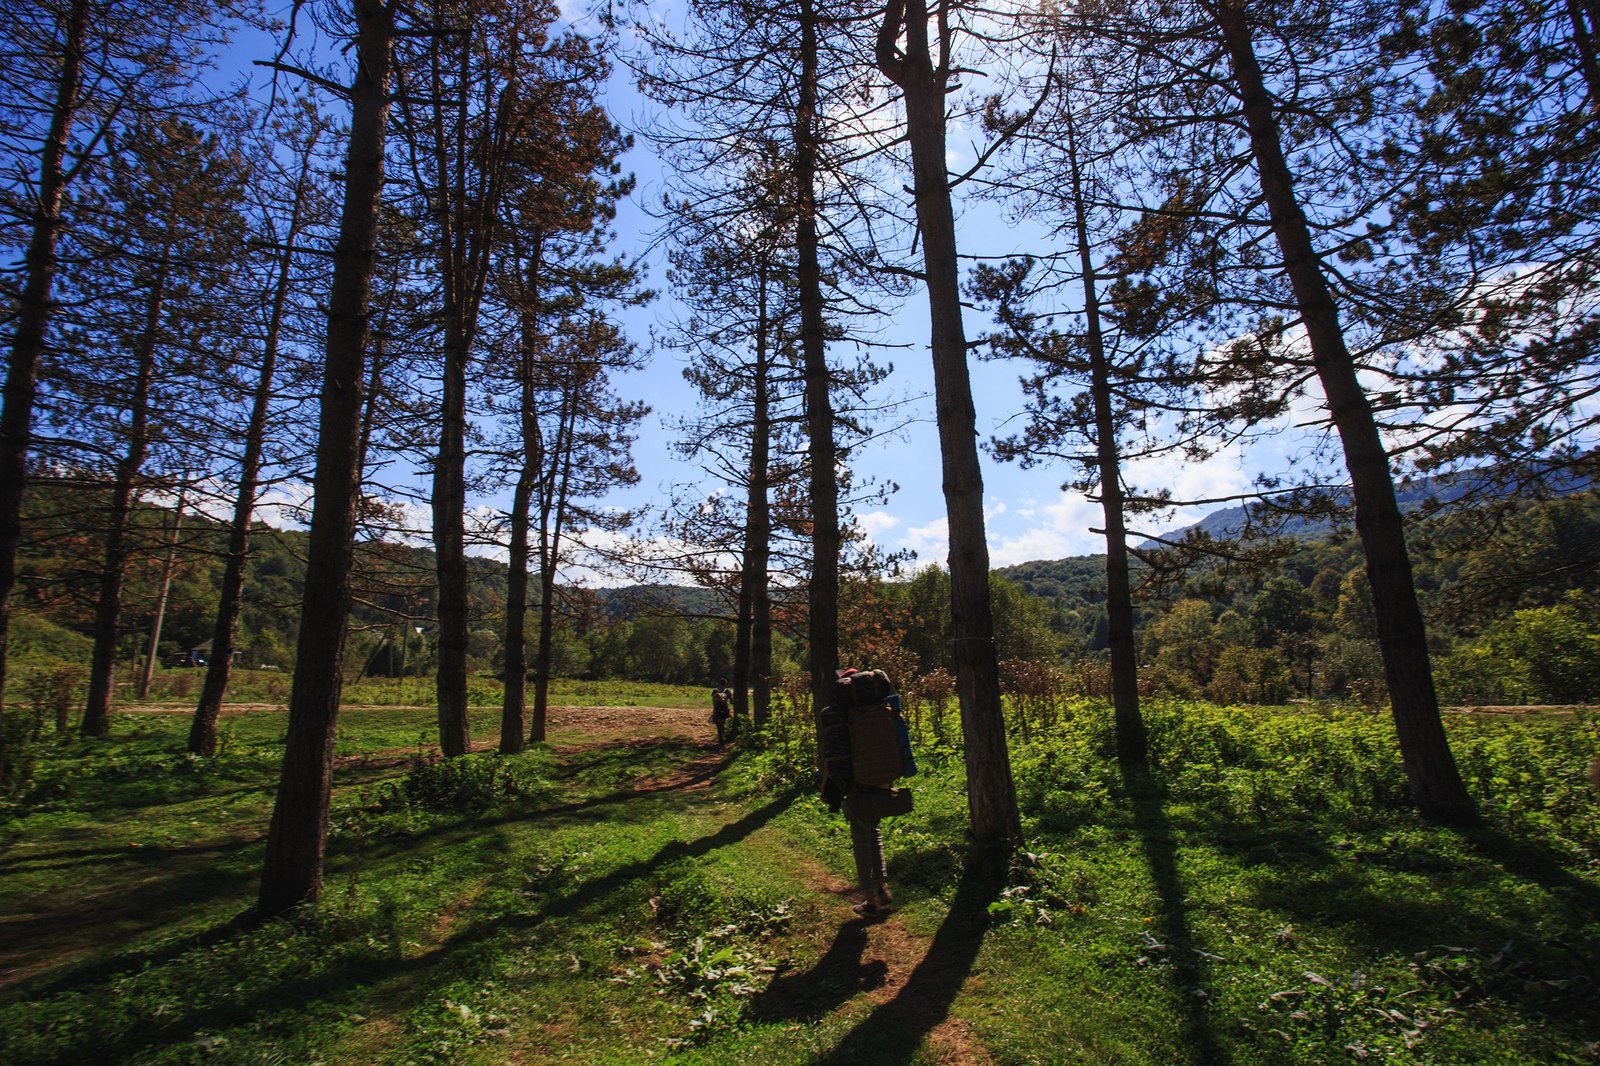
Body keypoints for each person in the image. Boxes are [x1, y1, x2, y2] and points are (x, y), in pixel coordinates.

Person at [710, 678, 733, 747]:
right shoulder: (728, 691)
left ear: (719, 683)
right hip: (725, 710)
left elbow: (713, 701)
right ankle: (723, 741)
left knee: (719, 727)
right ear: (725, 684)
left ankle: (721, 742)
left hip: (717, 710)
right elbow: (732, 702)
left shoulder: (715, 691)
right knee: (722, 725)